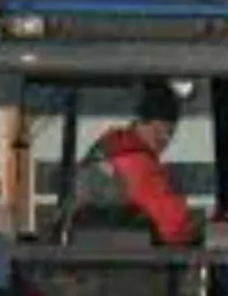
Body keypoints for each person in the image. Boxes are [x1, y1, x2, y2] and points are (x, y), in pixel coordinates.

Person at [66, 80, 197, 245]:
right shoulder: (135, 161)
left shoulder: (109, 150)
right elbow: (173, 225)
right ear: (142, 123)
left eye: (170, 133)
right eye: (160, 131)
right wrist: (200, 228)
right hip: (129, 261)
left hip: (94, 254)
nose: (165, 140)